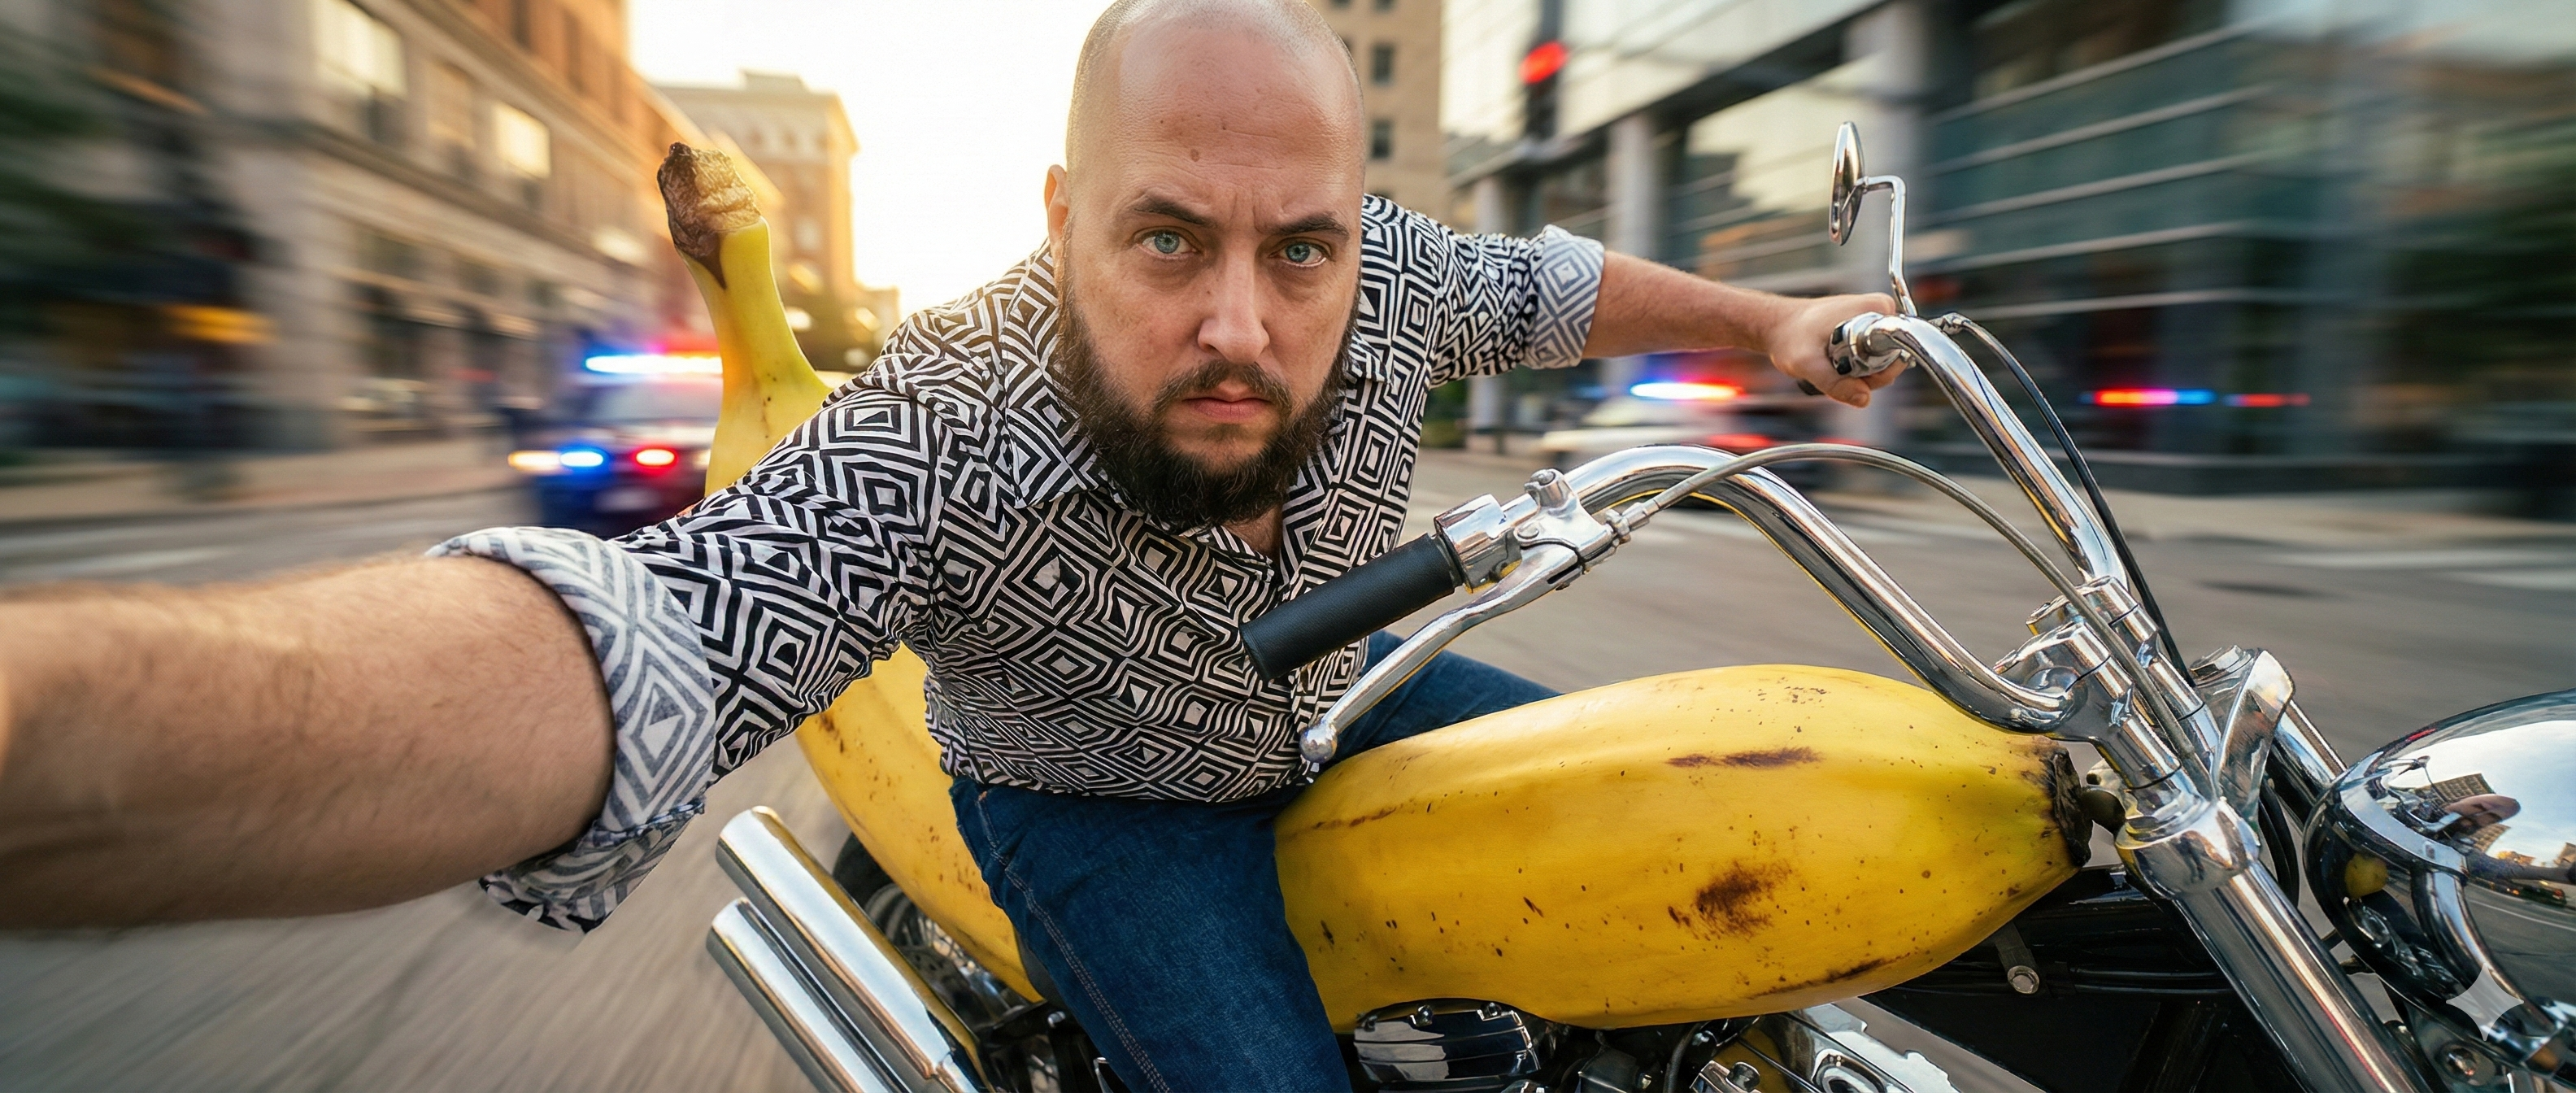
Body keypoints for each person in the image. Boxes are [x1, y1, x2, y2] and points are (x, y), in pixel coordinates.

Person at [0, 0, 1901, 1086]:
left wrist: (1786, 335)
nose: (1243, 321)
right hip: (1100, 799)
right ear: (1066, 210)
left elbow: (1568, 287)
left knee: (1736, 805)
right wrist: (57, 736)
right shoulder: (946, 413)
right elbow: (653, 634)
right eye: (1170, 239)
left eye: (1295, 247)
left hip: (1351, 682)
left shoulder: (1389, 272)